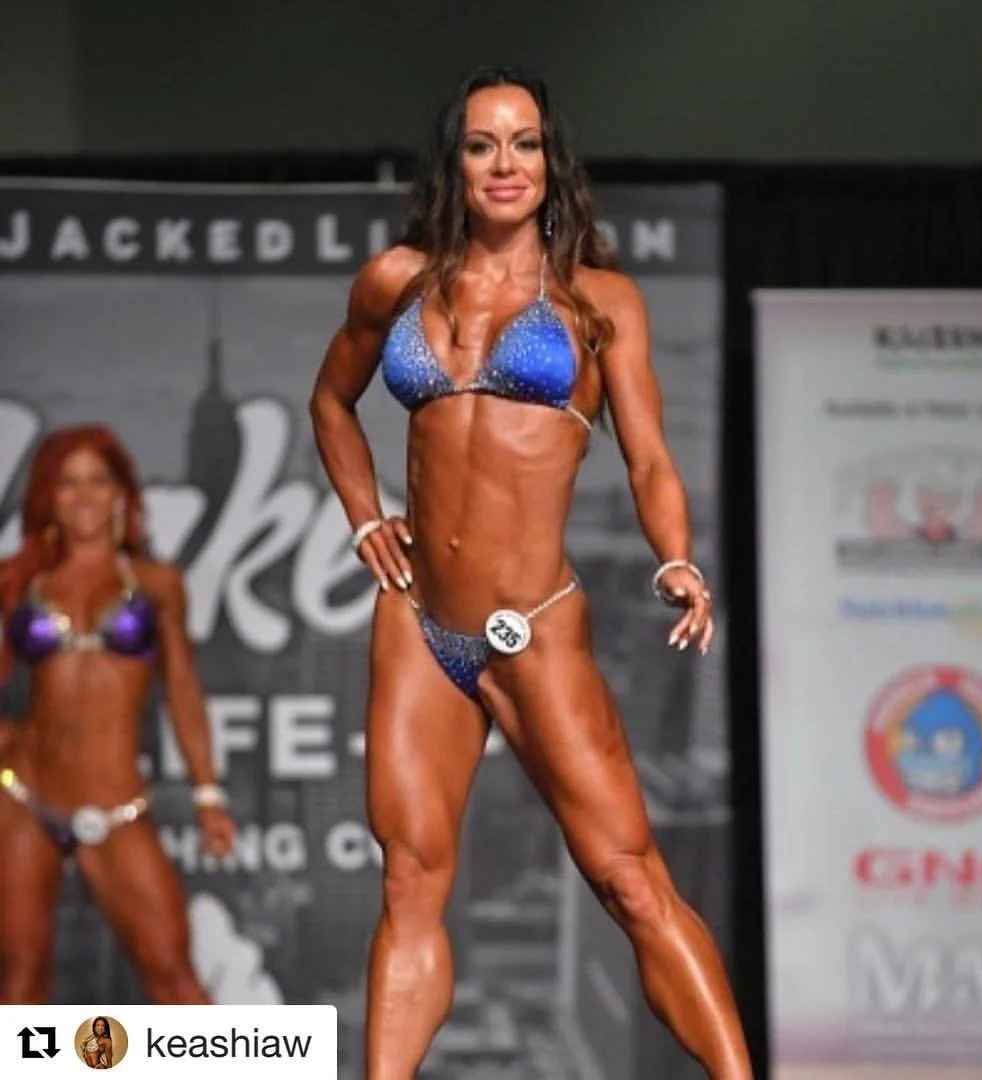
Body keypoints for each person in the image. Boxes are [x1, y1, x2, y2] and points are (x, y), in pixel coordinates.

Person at [310, 65, 753, 1079]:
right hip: (419, 623)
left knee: (629, 880)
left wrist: (675, 556)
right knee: (408, 884)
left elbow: (648, 457)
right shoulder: (397, 281)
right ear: (456, 163)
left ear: (552, 163)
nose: (504, 164)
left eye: (524, 143)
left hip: (535, 625)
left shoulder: (598, 300)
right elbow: (331, 402)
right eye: (482, 144)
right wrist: (364, 513)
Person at [0, 424, 236, 1004]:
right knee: (21, 974)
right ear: (48, 495)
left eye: (98, 481)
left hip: (115, 806)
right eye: (68, 482)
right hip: (24, 797)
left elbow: (182, 689)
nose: (84, 496)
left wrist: (208, 794)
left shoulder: (155, 584)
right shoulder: (20, 580)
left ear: (121, 494)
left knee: (173, 975)